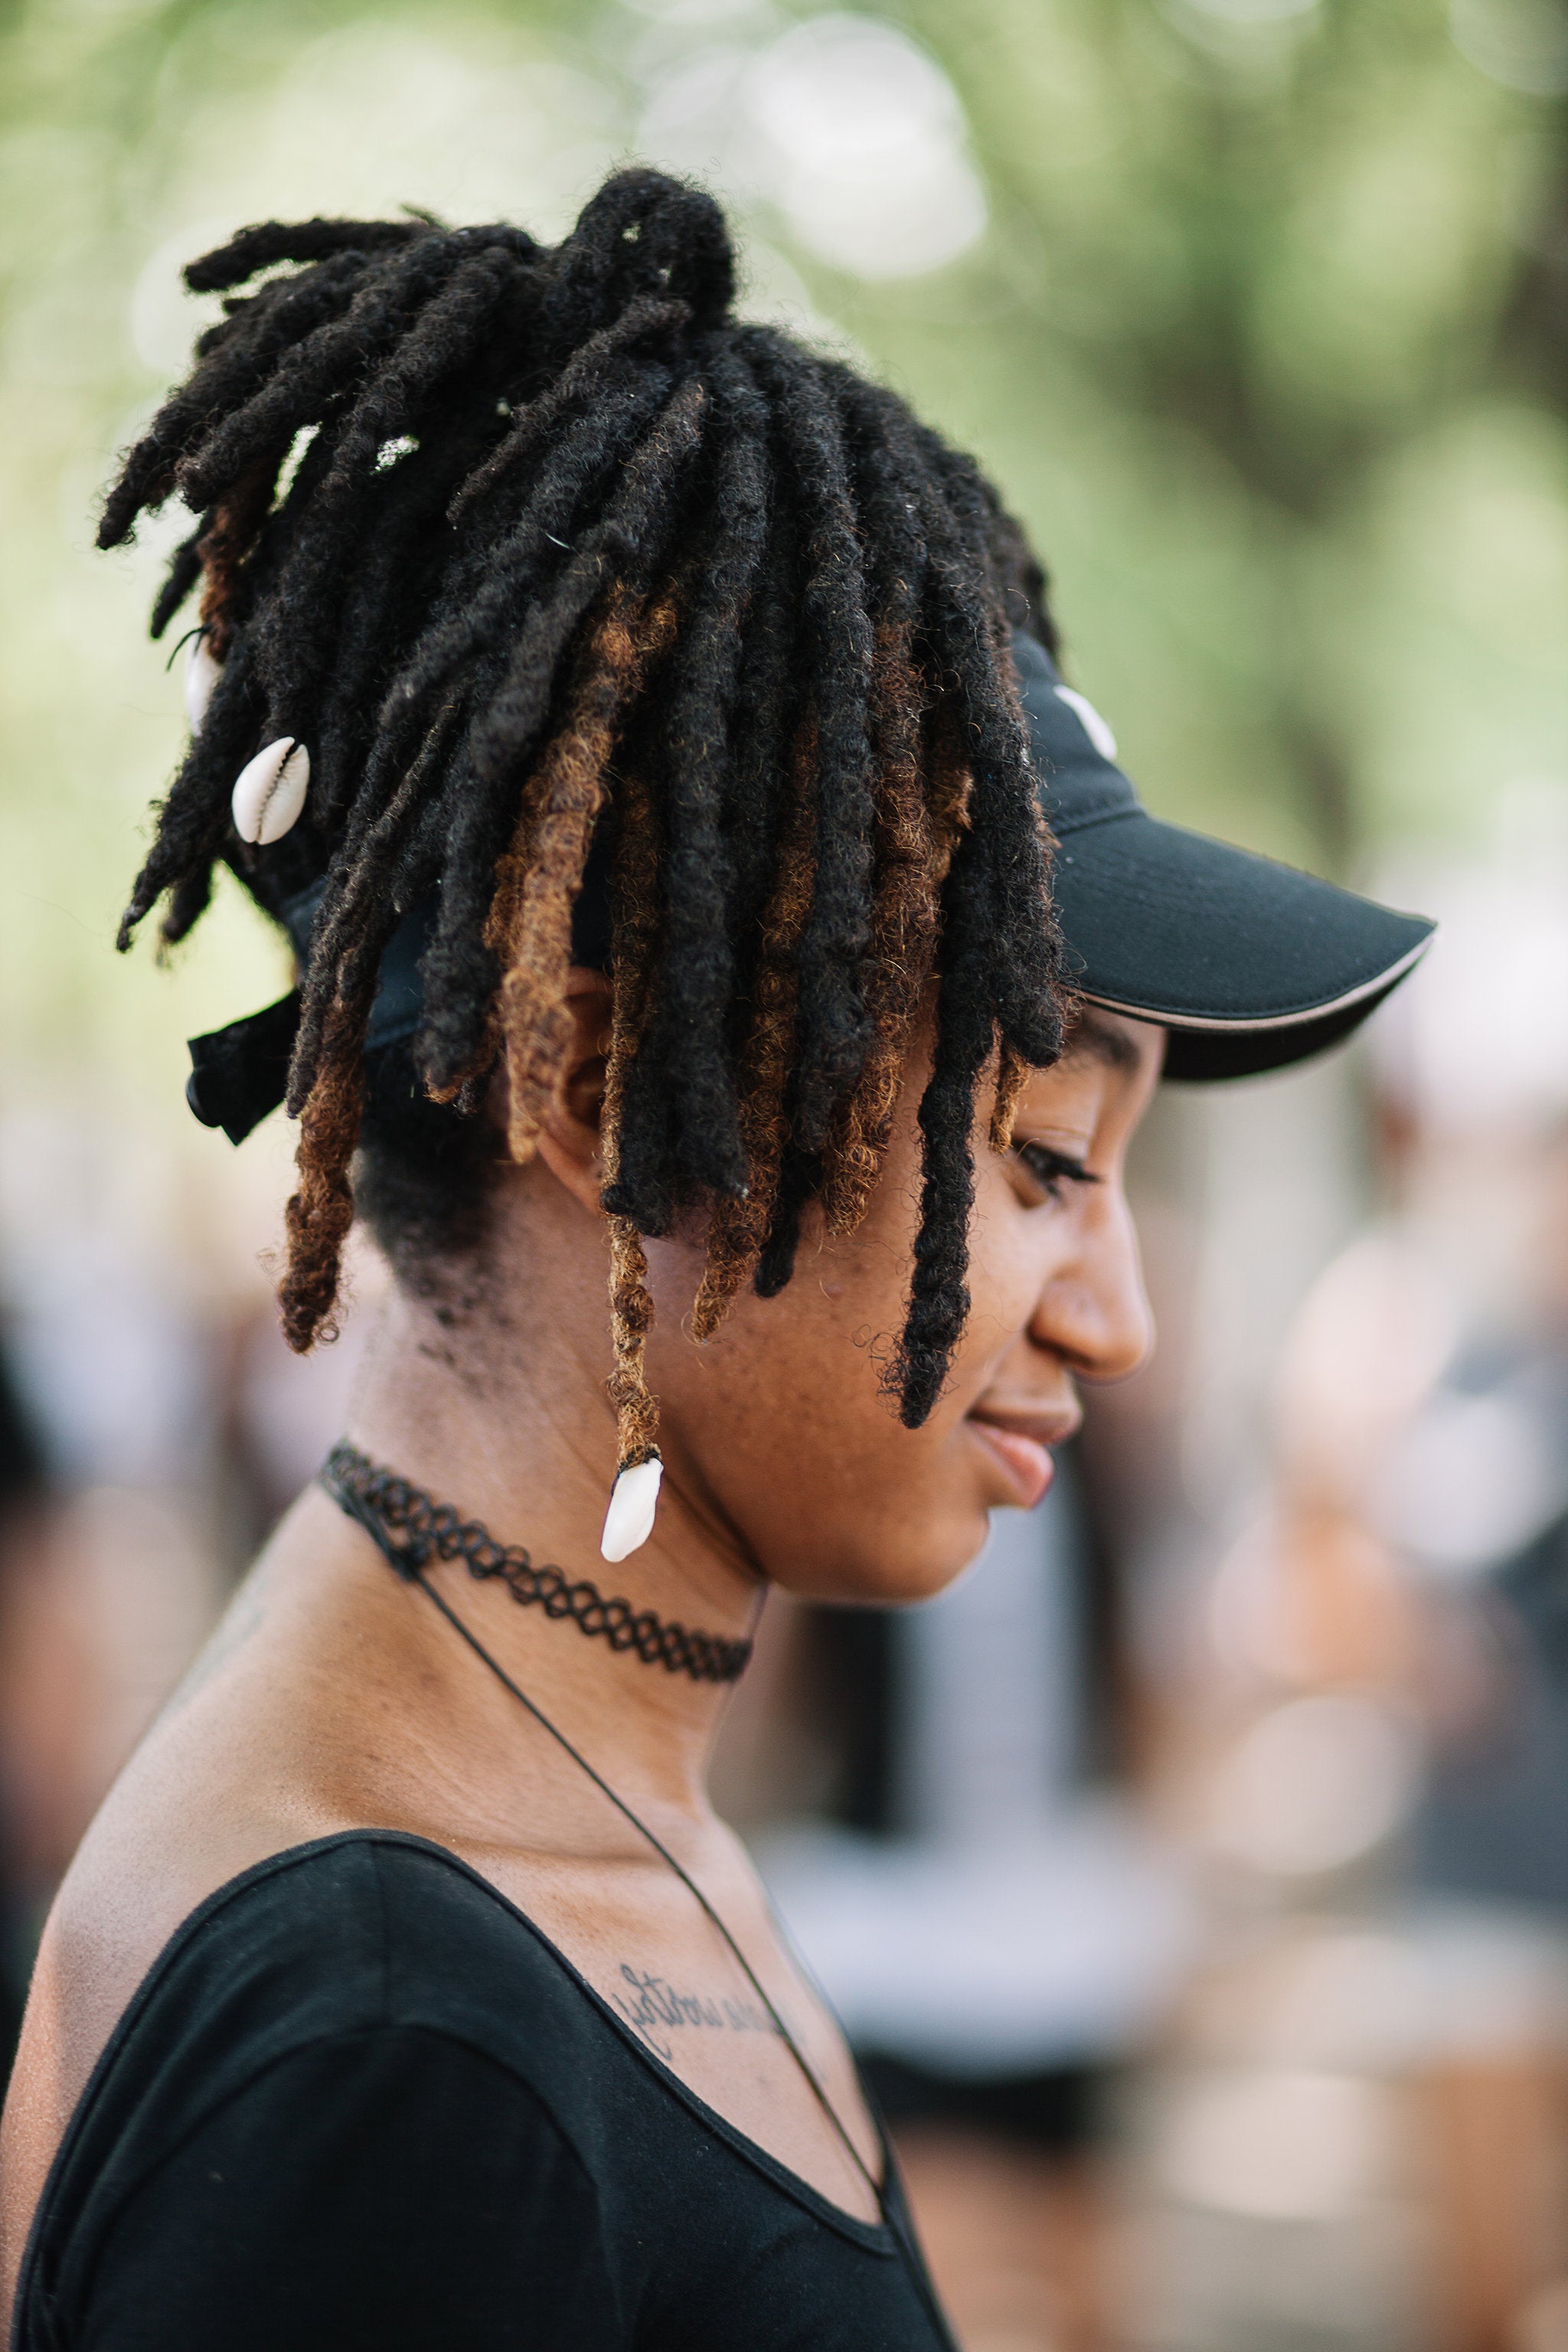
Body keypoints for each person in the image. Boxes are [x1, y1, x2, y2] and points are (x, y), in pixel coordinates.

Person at [0, 171, 1431, 2349]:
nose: (1118, 1315)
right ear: (584, 1092)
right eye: (1043, 1159)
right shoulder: (396, 2049)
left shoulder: (566, 1793)